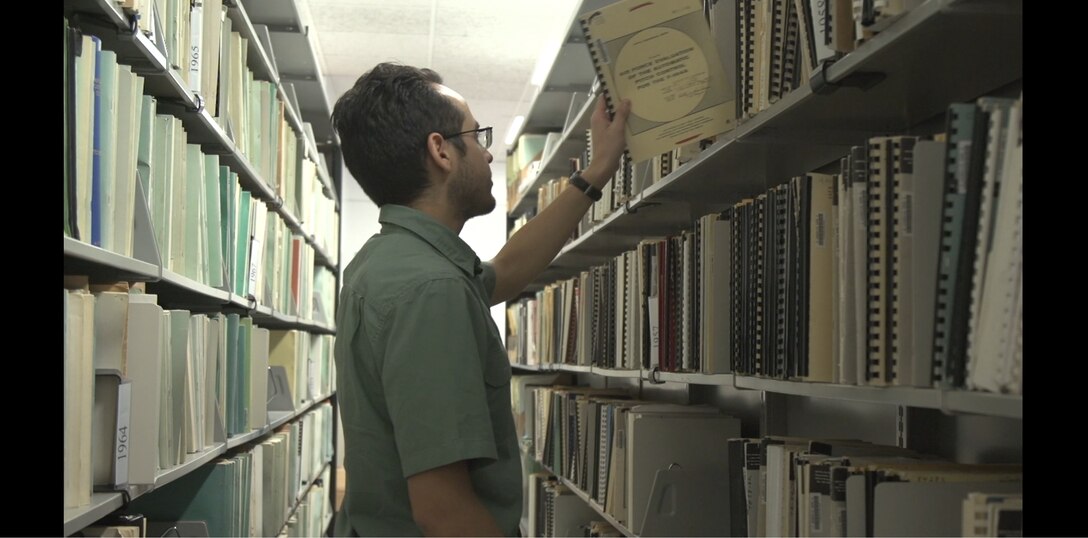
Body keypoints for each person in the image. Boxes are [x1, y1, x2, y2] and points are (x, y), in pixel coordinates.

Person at [329, 62, 631, 537]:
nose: (488, 156)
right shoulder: (432, 291)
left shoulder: (387, 261)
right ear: (441, 151)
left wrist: (595, 174)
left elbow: (506, 273)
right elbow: (443, 510)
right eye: (478, 136)